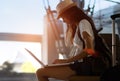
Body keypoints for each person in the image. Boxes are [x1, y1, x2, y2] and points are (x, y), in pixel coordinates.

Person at [36, 0, 111, 81]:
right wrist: (66, 62)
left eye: (63, 17)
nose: (63, 20)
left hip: (85, 66)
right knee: (41, 71)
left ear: (70, 14)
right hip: (80, 65)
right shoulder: (79, 25)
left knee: (40, 72)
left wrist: (67, 60)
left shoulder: (83, 23)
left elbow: (90, 50)